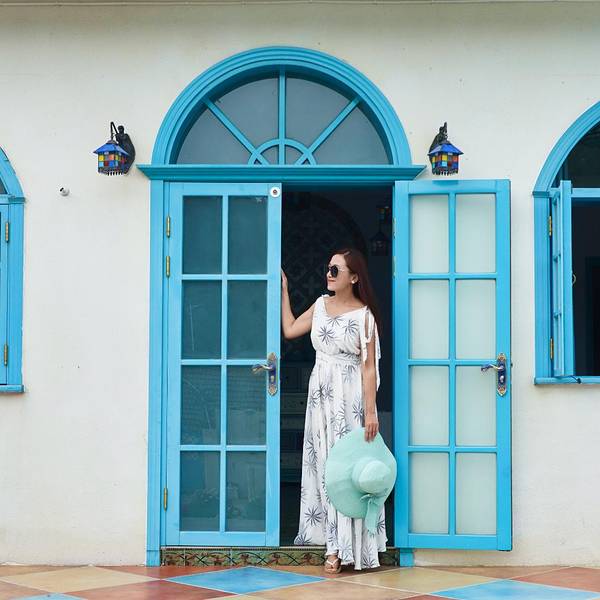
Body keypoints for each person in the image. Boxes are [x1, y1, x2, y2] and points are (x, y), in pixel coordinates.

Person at [281, 247, 385, 573]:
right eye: (328, 268)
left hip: (350, 397)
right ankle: (330, 542)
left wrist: (370, 412)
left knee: (346, 469)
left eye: (336, 270)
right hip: (321, 394)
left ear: (353, 278)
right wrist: (284, 291)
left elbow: (368, 367)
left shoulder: (364, 317)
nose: (329, 274)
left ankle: (345, 547)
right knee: (323, 465)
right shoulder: (320, 305)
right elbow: (290, 329)